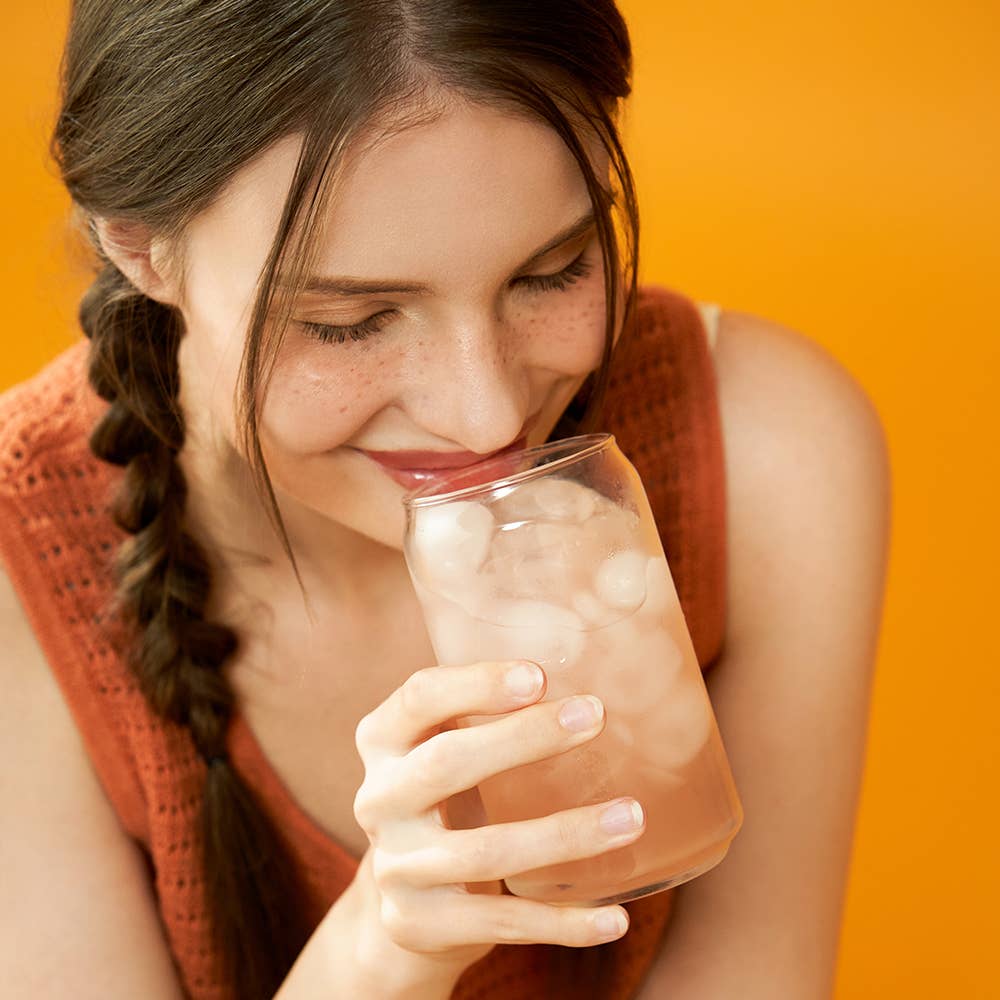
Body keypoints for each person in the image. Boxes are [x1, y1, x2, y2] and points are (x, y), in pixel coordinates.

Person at [0, 2, 891, 998]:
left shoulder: (768, 450)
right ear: (139, 247)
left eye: (551, 271)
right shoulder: (19, 561)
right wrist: (376, 959)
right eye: (350, 321)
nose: (485, 414)